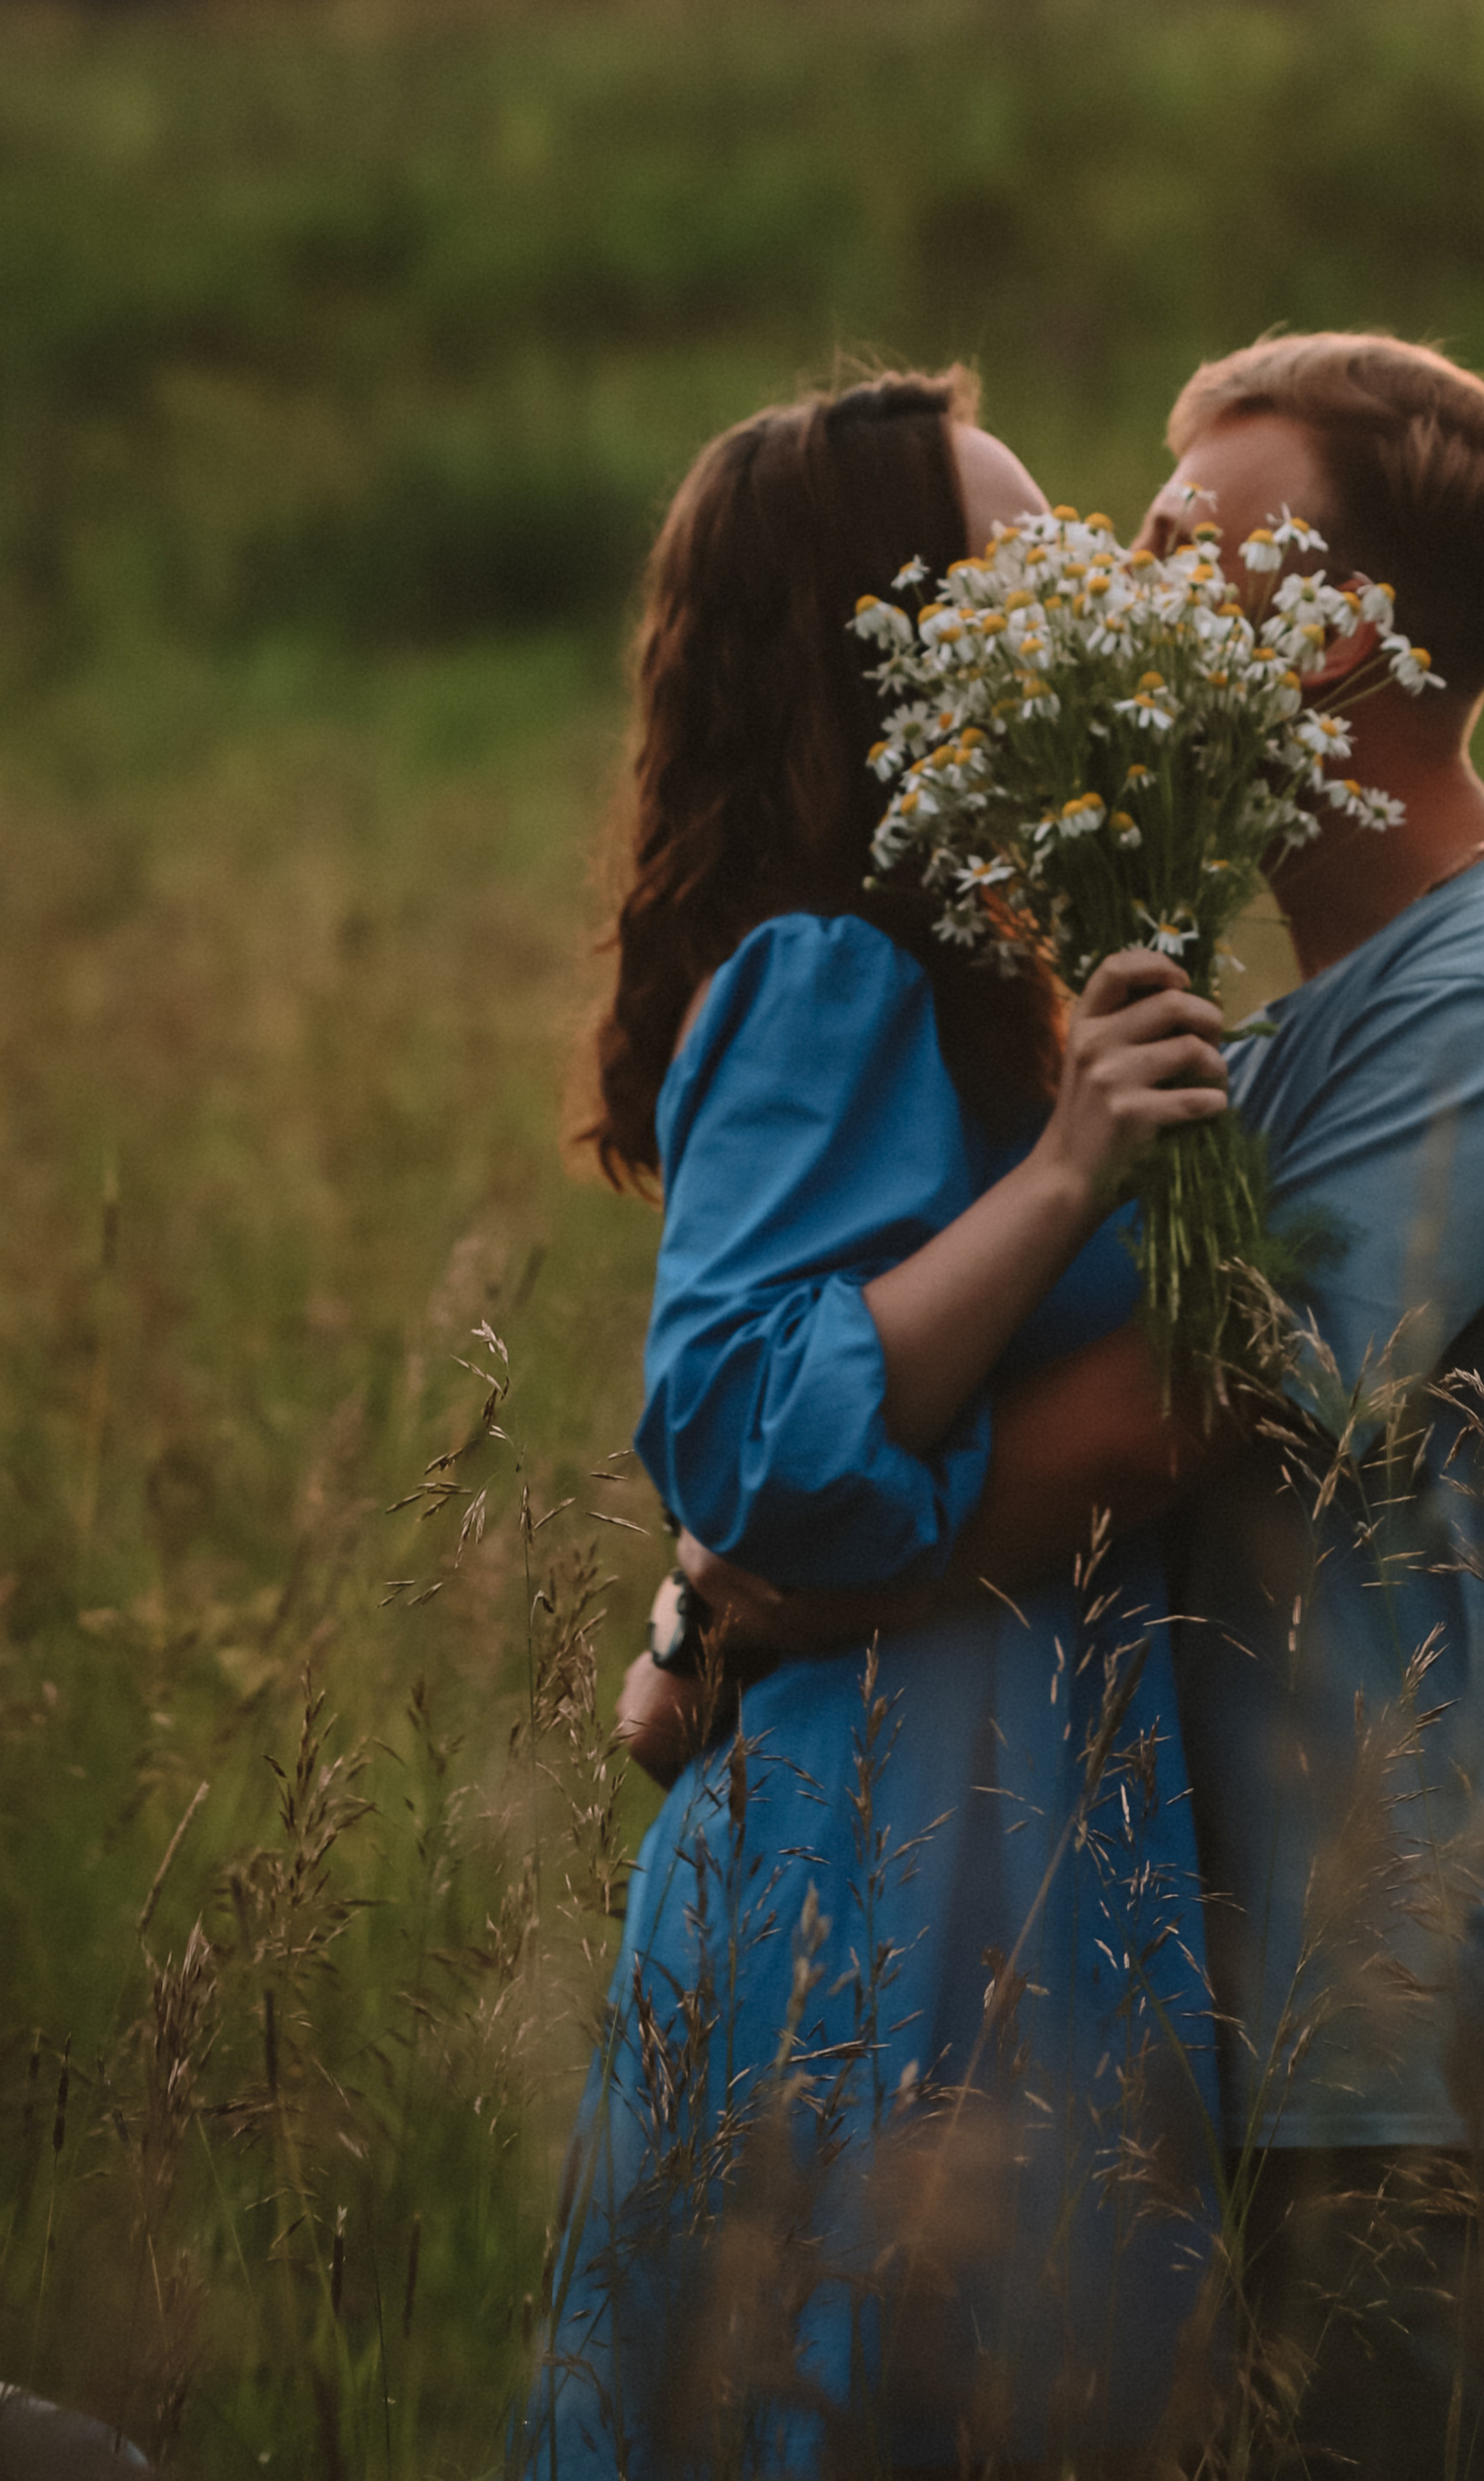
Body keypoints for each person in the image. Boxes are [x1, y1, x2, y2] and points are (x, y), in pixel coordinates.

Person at [666, 331, 1484, 2481]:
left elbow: (1185, 1419)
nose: (1111, 594)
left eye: (1176, 549)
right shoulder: (1279, 1037)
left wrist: (768, 1596)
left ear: (1341, 635)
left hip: (1435, 2040)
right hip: (1211, 2023)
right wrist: (715, 1580)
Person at [525, 368, 1229, 2481]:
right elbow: (741, 1418)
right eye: (1032, 558)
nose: (1092, 582)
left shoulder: (977, 969)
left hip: (1020, 1800)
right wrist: (1064, 1179)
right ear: (893, 642)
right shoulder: (828, 966)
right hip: (895, 1834)